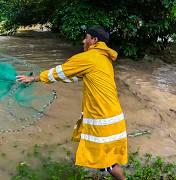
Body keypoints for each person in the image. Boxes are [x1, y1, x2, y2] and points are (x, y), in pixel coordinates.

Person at [16, 25, 127, 180]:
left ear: (94, 40)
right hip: (113, 115)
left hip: (103, 119)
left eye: (86, 37)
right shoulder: (104, 59)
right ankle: (88, 169)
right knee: (101, 152)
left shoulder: (88, 58)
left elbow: (60, 72)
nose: (83, 41)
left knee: (106, 162)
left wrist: (34, 78)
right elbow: (73, 76)